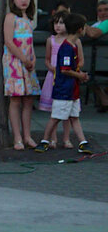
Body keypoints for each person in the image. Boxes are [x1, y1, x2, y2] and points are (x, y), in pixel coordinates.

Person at [36, 13, 93, 154]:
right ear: (80, 29)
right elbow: (65, 69)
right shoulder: (67, 48)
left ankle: (83, 142)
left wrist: (79, 75)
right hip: (64, 90)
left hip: (72, 90)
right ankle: (44, 141)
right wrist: (79, 75)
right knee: (56, 117)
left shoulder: (72, 45)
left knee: (74, 116)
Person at [3, 0, 41, 150]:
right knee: (16, 98)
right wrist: (23, 59)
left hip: (28, 63)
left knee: (28, 99)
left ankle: (27, 136)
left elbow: (30, 43)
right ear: (13, 0)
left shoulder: (29, 19)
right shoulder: (11, 17)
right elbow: (9, 41)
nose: (24, 0)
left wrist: (33, 59)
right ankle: (17, 137)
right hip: (14, 62)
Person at [38, 10, 77, 148]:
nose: (58, 26)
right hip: (53, 77)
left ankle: (66, 138)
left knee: (66, 111)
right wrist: (53, 68)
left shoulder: (73, 41)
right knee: (54, 111)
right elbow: (47, 60)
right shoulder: (51, 40)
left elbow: (79, 60)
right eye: (56, 23)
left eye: (61, 23)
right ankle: (53, 139)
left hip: (67, 78)